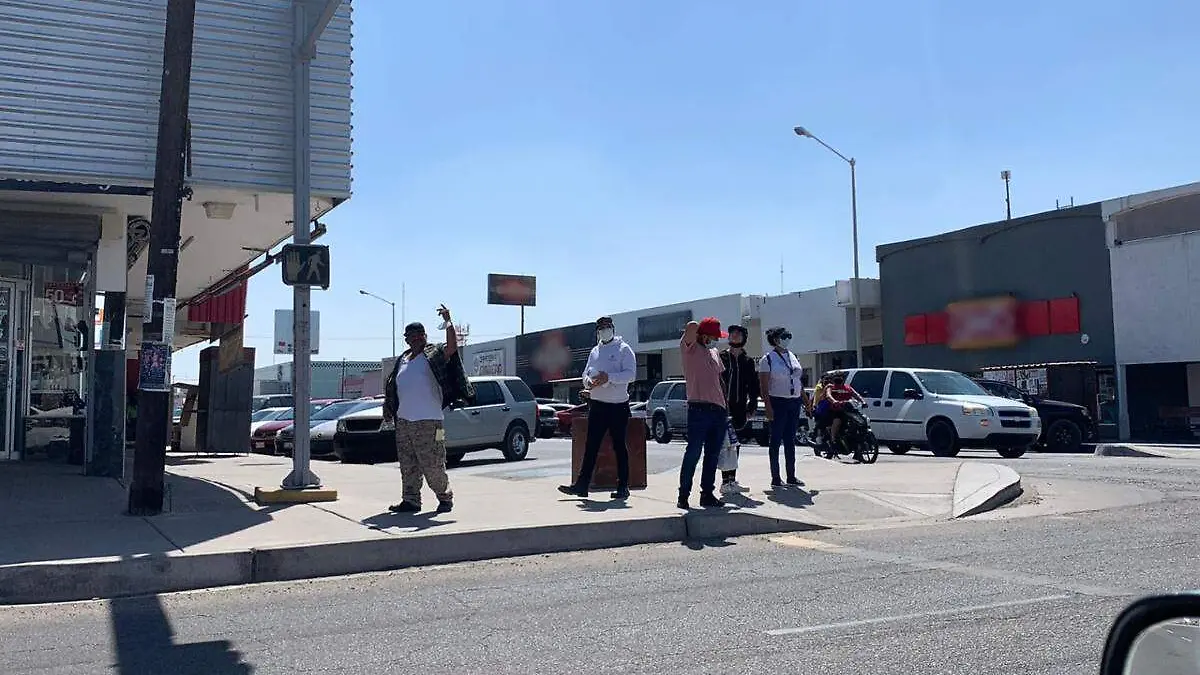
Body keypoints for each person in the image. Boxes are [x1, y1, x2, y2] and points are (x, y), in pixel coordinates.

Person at [383, 305, 474, 514]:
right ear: (406, 339)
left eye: (420, 335)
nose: (416, 339)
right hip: (404, 422)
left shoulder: (434, 353)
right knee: (408, 465)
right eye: (412, 336)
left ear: (425, 336)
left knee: (433, 463)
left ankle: (445, 497)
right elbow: (393, 387)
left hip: (430, 421)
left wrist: (448, 321)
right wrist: (388, 406)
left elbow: (452, 347)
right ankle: (411, 500)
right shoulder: (403, 360)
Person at [559, 316, 638, 500]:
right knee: (591, 446)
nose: (604, 331)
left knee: (619, 446)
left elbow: (631, 375)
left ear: (613, 328)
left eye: (607, 327)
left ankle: (623, 486)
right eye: (601, 328)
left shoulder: (624, 349)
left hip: (618, 406)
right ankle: (581, 485)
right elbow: (585, 373)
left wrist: (608, 377)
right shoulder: (595, 351)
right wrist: (589, 382)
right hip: (598, 405)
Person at [677, 317, 729, 509]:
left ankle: (707, 494)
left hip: (718, 409)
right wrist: (701, 330)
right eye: (714, 336)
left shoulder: (714, 353)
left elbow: (720, 380)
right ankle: (683, 495)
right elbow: (691, 326)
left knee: (712, 455)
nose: (716, 340)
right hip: (698, 408)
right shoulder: (690, 348)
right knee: (693, 452)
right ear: (704, 336)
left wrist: (726, 407)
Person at [758, 326, 809, 487]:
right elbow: (764, 387)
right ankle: (775, 477)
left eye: (788, 335)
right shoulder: (767, 359)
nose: (787, 339)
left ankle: (791, 476)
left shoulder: (793, 356)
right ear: (775, 339)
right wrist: (768, 407)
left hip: (794, 401)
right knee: (775, 440)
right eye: (783, 336)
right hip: (777, 402)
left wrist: (806, 401)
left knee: (790, 440)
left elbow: (797, 381)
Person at [719, 324, 759, 494]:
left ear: (744, 338)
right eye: (732, 333)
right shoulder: (721, 357)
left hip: (739, 407)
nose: (734, 336)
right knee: (724, 444)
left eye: (738, 334)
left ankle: (732, 480)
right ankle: (724, 481)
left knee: (735, 443)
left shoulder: (747, 361)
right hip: (722, 406)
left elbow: (753, 385)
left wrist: (752, 404)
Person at [827, 372, 865, 451]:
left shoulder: (848, 388)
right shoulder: (831, 387)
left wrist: (863, 402)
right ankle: (833, 440)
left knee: (861, 420)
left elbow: (856, 395)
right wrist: (834, 401)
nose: (839, 378)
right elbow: (828, 395)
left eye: (840, 377)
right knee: (837, 421)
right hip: (836, 410)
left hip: (849, 411)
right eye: (837, 377)